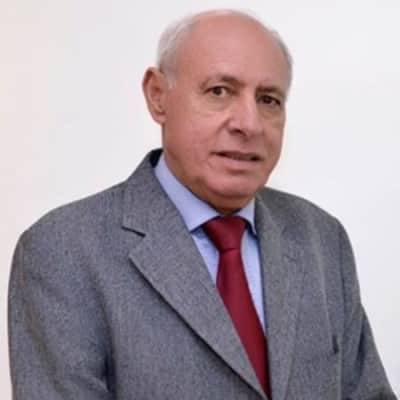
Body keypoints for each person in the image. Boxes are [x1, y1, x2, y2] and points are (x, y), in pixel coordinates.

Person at [8, 9, 396, 400]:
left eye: (268, 99)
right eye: (219, 91)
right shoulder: (63, 251)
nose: (249, 124)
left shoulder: (322, 238)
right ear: (157, 96)